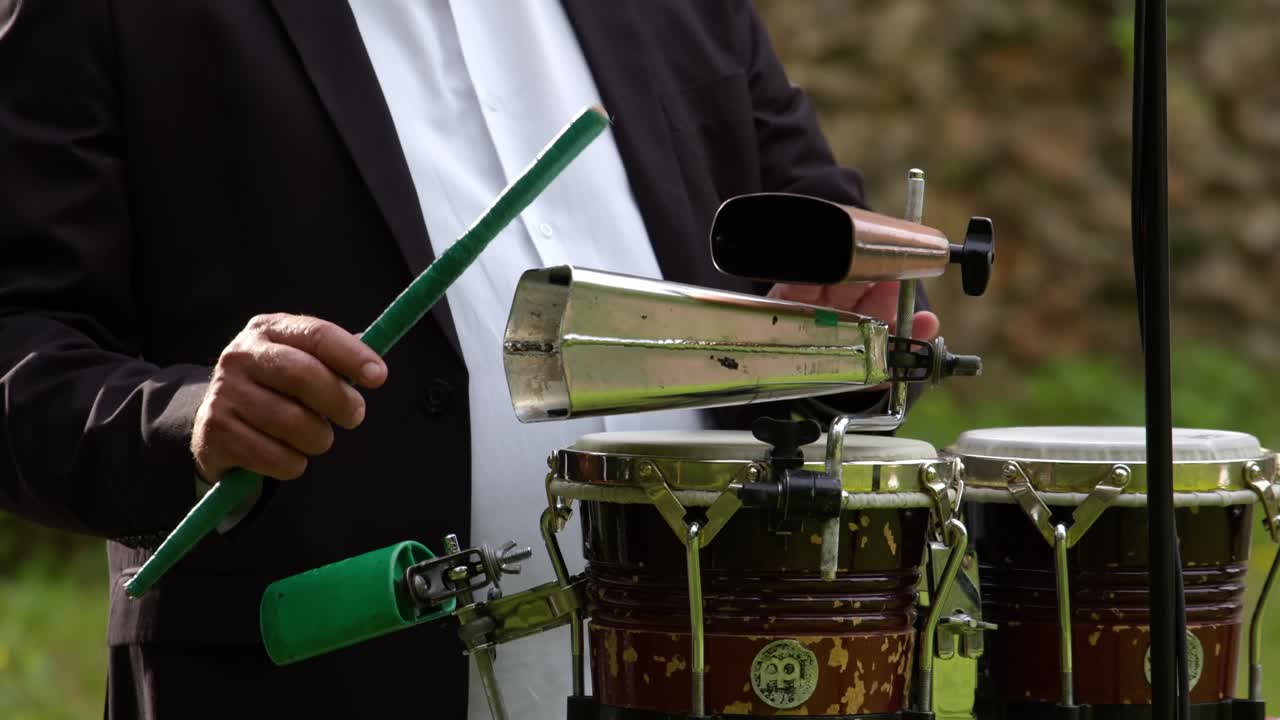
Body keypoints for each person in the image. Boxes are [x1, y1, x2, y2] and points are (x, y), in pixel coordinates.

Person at [0, 1, 938, 717]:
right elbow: (19, 342)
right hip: (320, 677)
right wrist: (184, 421)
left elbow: (820, 246)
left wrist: (847, 332)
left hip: (708, 663)